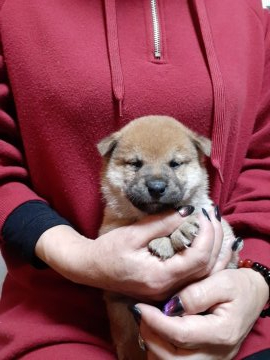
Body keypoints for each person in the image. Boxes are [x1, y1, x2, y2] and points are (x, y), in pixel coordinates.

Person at [0, 0, 269, 359]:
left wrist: (257, 281)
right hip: (62, 318)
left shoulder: (248, 12)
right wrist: (83, 259)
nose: (156, 183)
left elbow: (264, 157)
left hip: (239, 314)